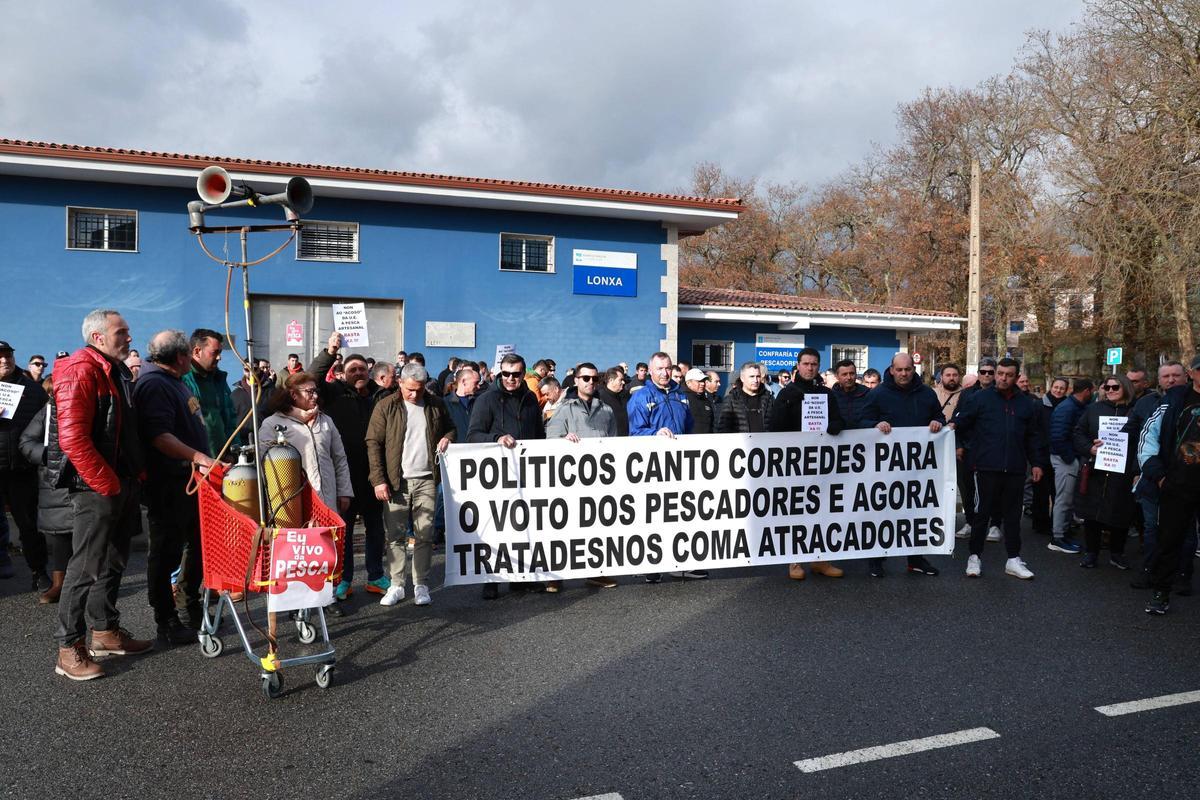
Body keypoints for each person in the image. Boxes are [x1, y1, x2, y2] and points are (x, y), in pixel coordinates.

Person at [52, 309, 152, 681]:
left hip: (120, 481)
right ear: (97, 337)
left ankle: (105, 632)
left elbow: (123, 429)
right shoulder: (81, 369)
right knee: (84, 567)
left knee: (113, 561)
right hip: (97, 486)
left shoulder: (115, 370)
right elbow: (73, 438)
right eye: (121, 332)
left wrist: (133, 476)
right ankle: (68, 649)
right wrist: (107, 484)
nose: (129, 337)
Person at [133, 330, 216, 644]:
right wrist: (198, 457)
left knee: (197, 544)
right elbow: (159, 436)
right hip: (169, 483)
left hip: (189, 482)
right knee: (166, 552)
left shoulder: (174, 381)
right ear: (182, 357)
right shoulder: (154, 384)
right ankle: (166, 620)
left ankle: (188, 605)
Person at [366, 361, 454, 608]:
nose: (415, 394)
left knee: (424, 534)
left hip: (427, 477)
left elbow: (451, 428)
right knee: (395, 536)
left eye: (420, 389)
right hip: (396, 481)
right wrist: (379, 480)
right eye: (410, 389)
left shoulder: (435, 404)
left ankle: (421, 584)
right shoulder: (386, 406)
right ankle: (396, 584)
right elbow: (373, 443)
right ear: (400, 383)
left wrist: (447, 438)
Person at [309, 333, 389, 602]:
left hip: (374, 476)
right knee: (342, 530)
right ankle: (344, 578)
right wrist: (330, 352)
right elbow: (312, 377)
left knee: (375, 527)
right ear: (342, 373)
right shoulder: (333, 394)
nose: (358, 373)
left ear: (369, 372)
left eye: (362, 369)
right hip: (344, 476)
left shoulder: (379, 397)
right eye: (352, 369)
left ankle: (376, 575)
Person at [953, 357, 1048, 580]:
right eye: (1000, 373)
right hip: (985, 467)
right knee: (981, 514)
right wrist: (963, 446)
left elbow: (1033, 437)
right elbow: (960, 424)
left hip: (1015, 468)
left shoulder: (1026, 404)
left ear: (1016, 377)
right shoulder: (980, 399)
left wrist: (1036, 463)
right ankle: (974, 557)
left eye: (1008, 375)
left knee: (1013, 516)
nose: (1003, 378)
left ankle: (1013, 559)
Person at [467, 353, 545, 599]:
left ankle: (519, 578)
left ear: (524, 374)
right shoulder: (486, 399)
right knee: (497, 529)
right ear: (500, 373)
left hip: (527, 472)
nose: (511, 378)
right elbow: (473, 435)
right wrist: (496, 439)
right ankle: (491, 580)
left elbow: (539, 435)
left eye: (516, 374)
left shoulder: (531, 398)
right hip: (497, 475)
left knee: (524, 526)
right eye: (506, 374)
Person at [858, 353, 944, 577]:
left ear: (913, 369)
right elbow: (861, 421)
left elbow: (939, 417)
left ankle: (915, 559)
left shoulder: (926, 393)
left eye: (908, 369)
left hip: (918, 468)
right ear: (892, 370)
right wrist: (876, 424)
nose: (904, 374)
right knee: (881, 513)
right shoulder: (878, 394)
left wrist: (938, 422)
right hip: (885, 468)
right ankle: (876, 558)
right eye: (900, 370)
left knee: (915, 514)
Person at [769, 347, 847, 581]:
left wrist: (836, 425)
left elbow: (838, 419)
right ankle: (794, 560)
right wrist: (788, 405)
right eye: (806, 364)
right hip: (794, 463)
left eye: (814, 364)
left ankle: (819, 559)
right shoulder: (786, 393)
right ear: (798, 365)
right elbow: (775, 427)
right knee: (795, 512)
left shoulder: (826, 393)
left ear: (818, 366)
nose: (810, 368)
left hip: (821, 463)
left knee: (821, 510)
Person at [545, 362, 619, 591]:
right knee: (566, 528)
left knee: (596, 527)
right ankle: (556, 575)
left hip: (598, 480)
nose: (590, 382)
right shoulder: (565, 409)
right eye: (585, 378)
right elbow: (550, 439)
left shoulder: (606, 410)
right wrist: (563, 440)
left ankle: (596, 572)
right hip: (571, 480)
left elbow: (614, 442)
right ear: (575, 380)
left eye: (594, 379)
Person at [1138, 354, 1200, 614]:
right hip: (1178, 484)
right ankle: (1161, 592)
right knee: (1170, 540)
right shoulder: (1173, 400)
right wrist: (1158, 474)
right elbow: (1148, 436)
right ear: (1192, 373)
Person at [257, 371, 352, 522]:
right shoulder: (272, 424)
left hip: (327, 499)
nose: (315, 396)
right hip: (291, 504)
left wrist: (344, 491)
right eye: (309, 392)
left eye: (316, 391)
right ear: (294, 395)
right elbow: (262, 464)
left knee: (328, 542)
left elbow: (340, 459)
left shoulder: (325, 421)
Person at [1127, 361, 1187, 588]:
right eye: (1166, 376)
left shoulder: (1192, 404)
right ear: (1159, 380)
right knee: (1153, 527)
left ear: (1186, 376)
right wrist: (1140, 472)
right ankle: (1149, 570)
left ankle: (1182, 575)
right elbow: (1134, 437)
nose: (1171, 380)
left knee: (1185, 529)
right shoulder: (1146, 404)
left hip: (1186, 481)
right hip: (1153, 478)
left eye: (1176, 375)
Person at [0, 338, 50, 590]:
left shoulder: (32, 390)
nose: (4, 359)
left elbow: (49, 425)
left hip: (21, 469)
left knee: (29, 525)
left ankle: (39, 572)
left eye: (7, 355)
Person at [1073, 375, 1137, 570]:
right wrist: (1089, 448)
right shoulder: (1094, 409)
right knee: (1092, 513)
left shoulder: (1135, 411)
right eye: (1106, 387)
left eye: (1115, 386)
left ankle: (1117, 553)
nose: (1110, 390)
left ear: (1125, 387)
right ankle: (1091, 553)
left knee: (1121, 512)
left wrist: (1136, 468)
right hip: (1096, 469)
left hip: (1123, 471)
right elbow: (1078, 432)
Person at [18, 376, 72, 604]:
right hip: (55, 480)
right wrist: (48, 456)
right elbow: (26, 442)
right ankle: (59, 584)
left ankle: (86, 586)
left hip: (85, 480)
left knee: (88, 538)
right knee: (59, 537)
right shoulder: (47, 412)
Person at [1048, 378, 1093, 554]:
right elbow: (1058, 436)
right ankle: (1057, 538)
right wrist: (1071, 459)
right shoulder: (1068, 408)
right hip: (1065, 459)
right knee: (1063, 500)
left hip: (1067, 458)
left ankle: (1062, 534)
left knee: (1067, 500)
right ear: (1087, 391)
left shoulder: (1072, 407)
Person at [181, 329, 238, 458]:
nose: (219, 357)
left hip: (223, 458)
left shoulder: (219, 379)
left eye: (220, 352)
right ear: (196, 351)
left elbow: (230, 418)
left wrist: (234, 451)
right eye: (215, 353)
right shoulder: (183, 380)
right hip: (197, 462)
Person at [1031, 377, 1070, 536]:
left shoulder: (1068, 406)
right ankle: (1040, 524)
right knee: (1040, 492)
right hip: (1042, 455)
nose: (1058, 390)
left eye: (1062, 388)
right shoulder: (1039, 405)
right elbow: (1034, 432)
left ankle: (1058, 524)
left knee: (1059, 493)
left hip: (1061, 455)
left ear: (1066, 390)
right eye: (1056, 387)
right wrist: (1036, 459)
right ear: (1051, 387)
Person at [717, 361, 773, 434]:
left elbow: (776, 424)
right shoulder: (731, 399)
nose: (755, 380)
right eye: (752, 376)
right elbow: (723, 428)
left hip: (766, 443)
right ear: (742, 378)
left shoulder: (769, 398)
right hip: (740, 444)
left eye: (758, 376)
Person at [830, 359, 870, 430]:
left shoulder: (868, 394)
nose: (849, 378)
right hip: (837, 439)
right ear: (836, 376)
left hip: (864, 439)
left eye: (852, 373)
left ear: (856, 374)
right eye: (844, 374)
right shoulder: (830, 396)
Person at [596, 367, 630, 437]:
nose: (623, 382)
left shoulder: (627, 396)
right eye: (620, 380)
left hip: (627, 440)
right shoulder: (599, 397)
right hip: (609, 442)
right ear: (611, 380)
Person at [682, 367, 717, 434]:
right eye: (699, 381)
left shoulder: (706, 400)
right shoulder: (682, 399)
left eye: (703, 381)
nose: (703, 383)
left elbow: (712, 424)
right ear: (688, 383)